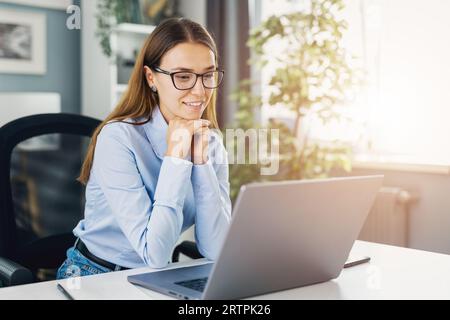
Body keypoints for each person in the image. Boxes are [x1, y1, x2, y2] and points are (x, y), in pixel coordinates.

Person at [57, 18, 231, 279]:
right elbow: (155, 254)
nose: (199, 91)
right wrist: (176, 158)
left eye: (207, 75)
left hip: (156, 277)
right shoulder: (117, 138)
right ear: (151, 78)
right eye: (183, 76)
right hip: (94, 274)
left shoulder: (210, 142)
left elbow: (216, 249)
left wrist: (201, 162)